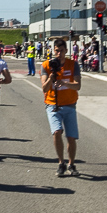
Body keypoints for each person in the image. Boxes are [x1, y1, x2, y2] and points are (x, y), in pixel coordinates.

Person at [41, 38, 82, 177]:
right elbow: (44, 88)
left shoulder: (73, 64)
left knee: (71, 137)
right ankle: (61, 163)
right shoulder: (46, 65)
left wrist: (65, 82)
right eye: (57, 51)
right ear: (53, 51)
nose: (59, 54)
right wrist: (50, 78)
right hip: (52, 104)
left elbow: (78, 85)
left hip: (70, 104)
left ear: (66, 51)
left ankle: (71, 164)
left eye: (62, 51)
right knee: (57, 132)